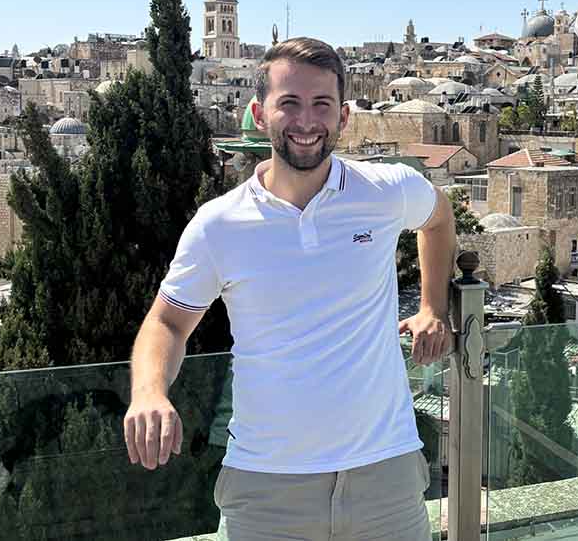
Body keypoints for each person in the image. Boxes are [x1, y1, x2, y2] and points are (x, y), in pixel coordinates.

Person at [124, 37, 456, 541]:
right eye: (290, 103)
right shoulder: (220, 225)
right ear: (260, 114)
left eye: (322, 104)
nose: (306, 121)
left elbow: (439, 218)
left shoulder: (385, 190)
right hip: (267, 489)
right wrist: (149, 391)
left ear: (343, 117)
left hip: (383, 475)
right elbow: (167, 321)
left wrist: (433, 305)